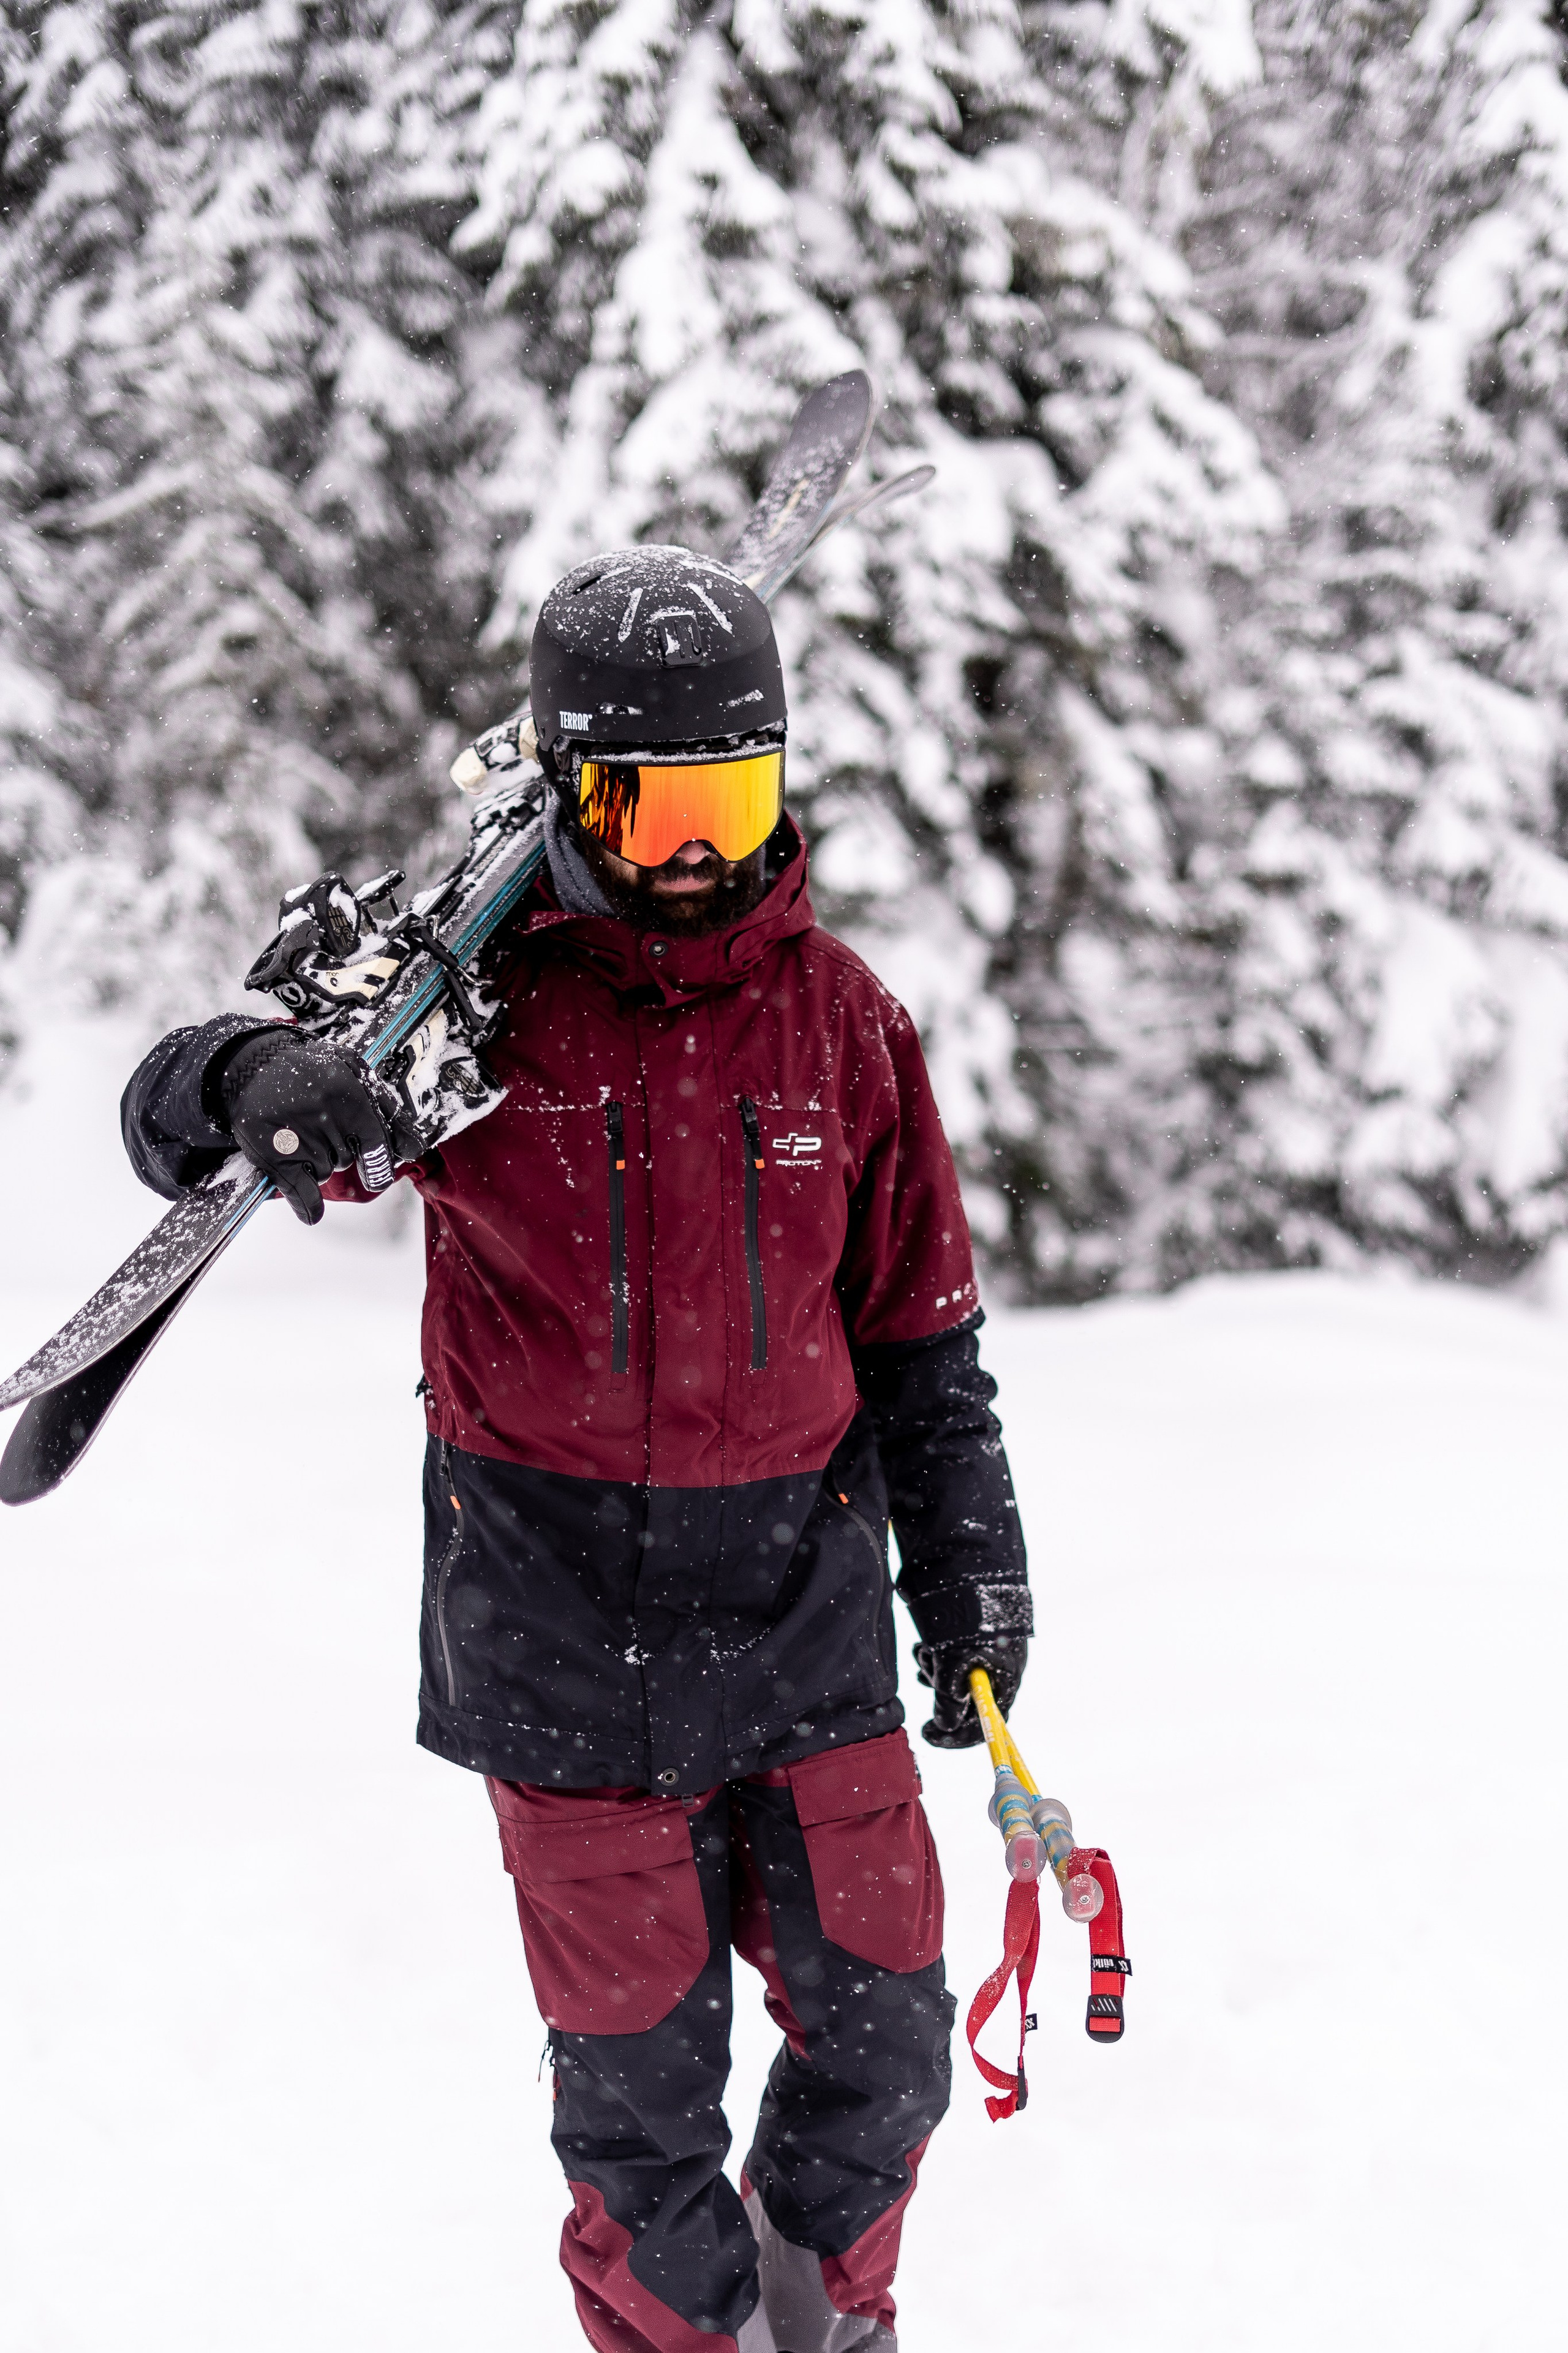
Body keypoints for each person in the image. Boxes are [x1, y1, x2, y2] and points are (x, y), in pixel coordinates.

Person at [121, 545, 1031, 2353]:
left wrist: (977, 1569)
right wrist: (251, 1084)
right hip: (565, 1656)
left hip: (806, 1633)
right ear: (565, 791)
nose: (698, 851)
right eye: (651, 805)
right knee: (639, 2136)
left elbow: (926, 1339)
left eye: (735, 797)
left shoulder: (844, 1021)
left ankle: (825, 2321)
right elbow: (174, 1104)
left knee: (891, 2043)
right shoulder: (467, 1012)